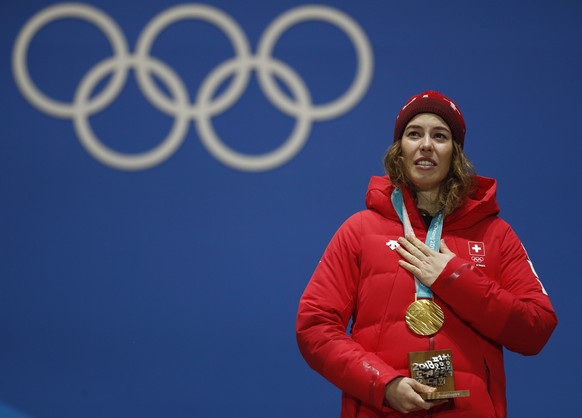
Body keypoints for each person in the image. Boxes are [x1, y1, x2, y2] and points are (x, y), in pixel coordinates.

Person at [296, 90, 557, 418]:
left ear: (455, 153)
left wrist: (455, 278)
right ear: (399, 150)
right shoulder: (359, 231)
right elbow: (315, 326)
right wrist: (384, 384)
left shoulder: (495, 235)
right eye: (414, 133)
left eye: (440, 136)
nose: (426, 144)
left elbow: (536, 329)